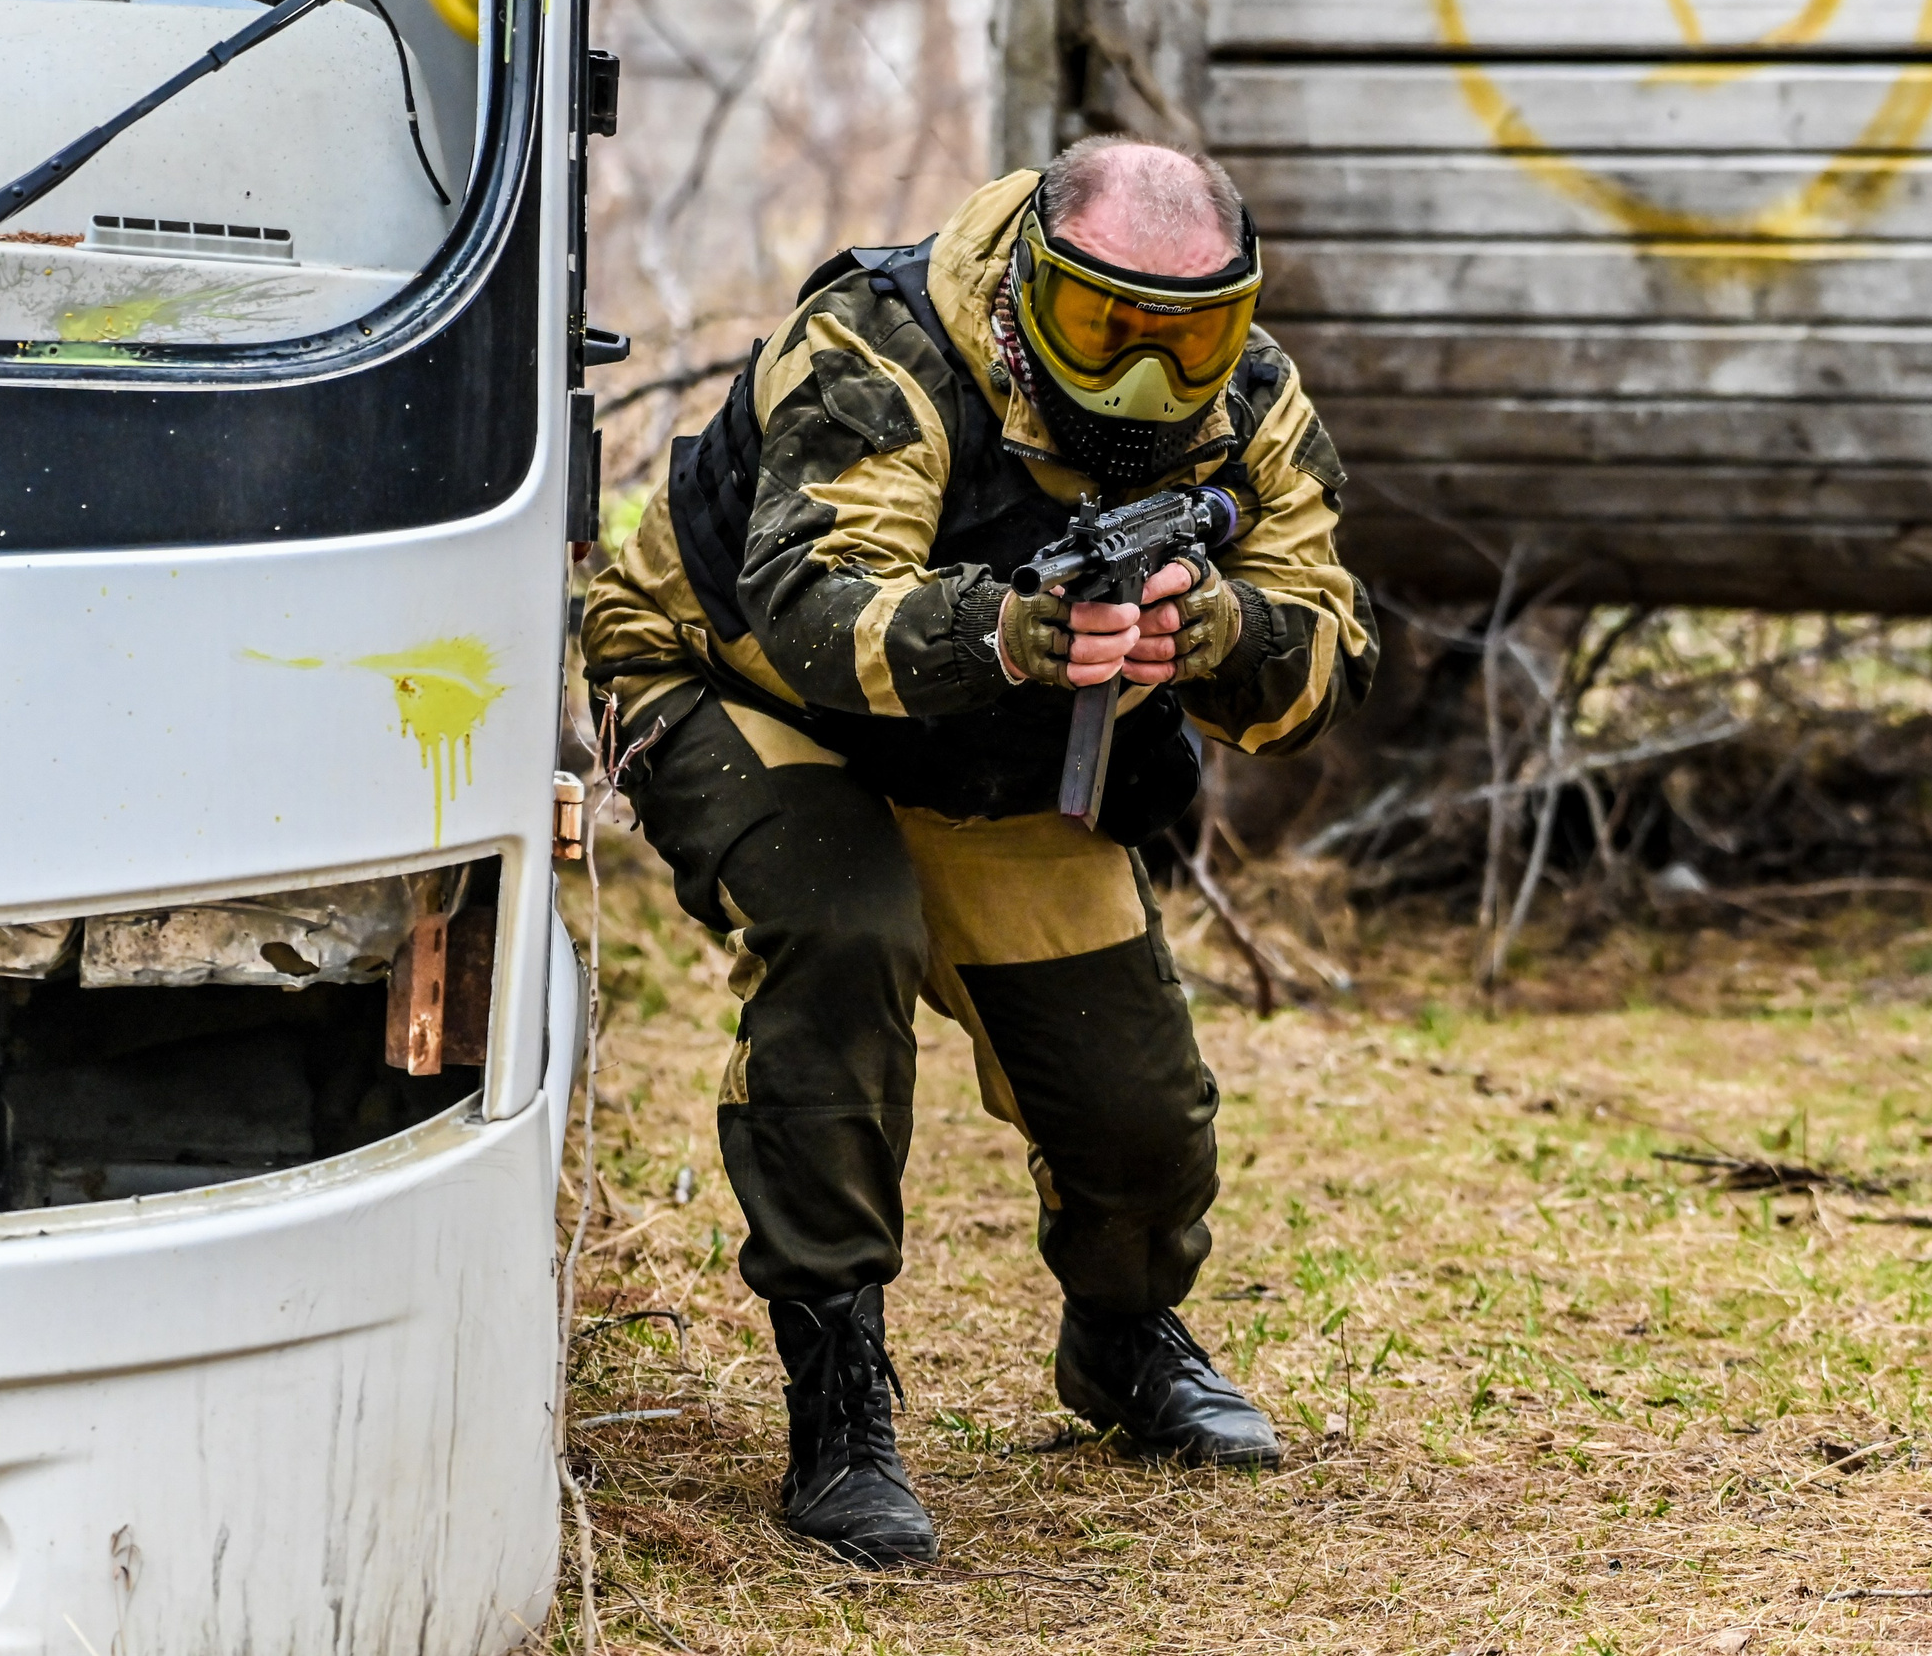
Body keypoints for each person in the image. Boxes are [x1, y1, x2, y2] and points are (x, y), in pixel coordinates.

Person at [581, 137, 1377, 1566]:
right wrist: (1012, 630)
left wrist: (1214, 636)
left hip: (983, 751)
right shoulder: (884, 348)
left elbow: (1330, 652)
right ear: (1027, 288)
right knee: (845, 934)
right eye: (1103, 329)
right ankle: (838, 1408)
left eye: (1187, 338)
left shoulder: (1248, 403)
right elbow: (816, 607)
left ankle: (1124, 1343)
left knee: (1135, 1110)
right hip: (734, 681)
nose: (1145, 376)